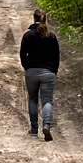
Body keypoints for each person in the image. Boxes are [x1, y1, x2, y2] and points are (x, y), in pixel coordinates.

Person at [20, 9, 60, 140]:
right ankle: (46, 126)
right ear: (45, 19)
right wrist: (53, 70)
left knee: (32, 99)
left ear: (34, 18)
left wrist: (27, 67)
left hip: (31, 72)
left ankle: (34, 129)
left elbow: (22, 54)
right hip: (48, 72)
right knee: (47, 101)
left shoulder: (27, 35)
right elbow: (56, 56)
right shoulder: (52, 36)